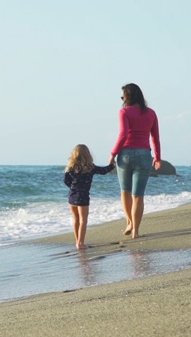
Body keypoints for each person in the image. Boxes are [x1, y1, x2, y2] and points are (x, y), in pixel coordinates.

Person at [108, 83, 162, 239]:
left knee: (125, 191)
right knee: (138, 195)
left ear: (128, 97)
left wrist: (113, 153)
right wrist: (157, 157)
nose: (122, 99)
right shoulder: (151, 113)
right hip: (144, 154)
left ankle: (129, 222)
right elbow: (155, 138)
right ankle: (136, 231)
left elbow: (123, 134)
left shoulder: (124, 112)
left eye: (123, 96)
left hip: (125, 154)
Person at [64, 144, 115, 250]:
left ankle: (77, 241)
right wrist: (112, 164)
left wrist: (74, 188)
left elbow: (66, 181)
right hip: (83, 196)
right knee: (83, 220)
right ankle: (80, 243)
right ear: (88, 155)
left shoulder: (70, 167)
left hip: (72, 196)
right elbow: (104, 171)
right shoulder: (90, 167)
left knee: (76, 219)